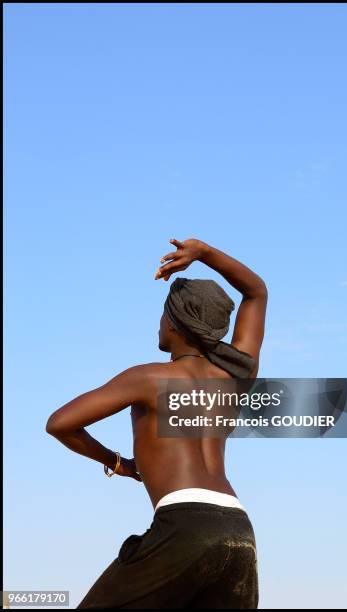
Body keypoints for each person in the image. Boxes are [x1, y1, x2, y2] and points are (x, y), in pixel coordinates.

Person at [46, 238, 268, 609]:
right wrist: (205, 253)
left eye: (164, 314)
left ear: (177, 322)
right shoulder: (234, 378)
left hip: (184, 525)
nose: (160, 323)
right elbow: (256, 293)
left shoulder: (147, 379)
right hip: (238, 531)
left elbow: (60, 423)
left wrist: (120, 464)